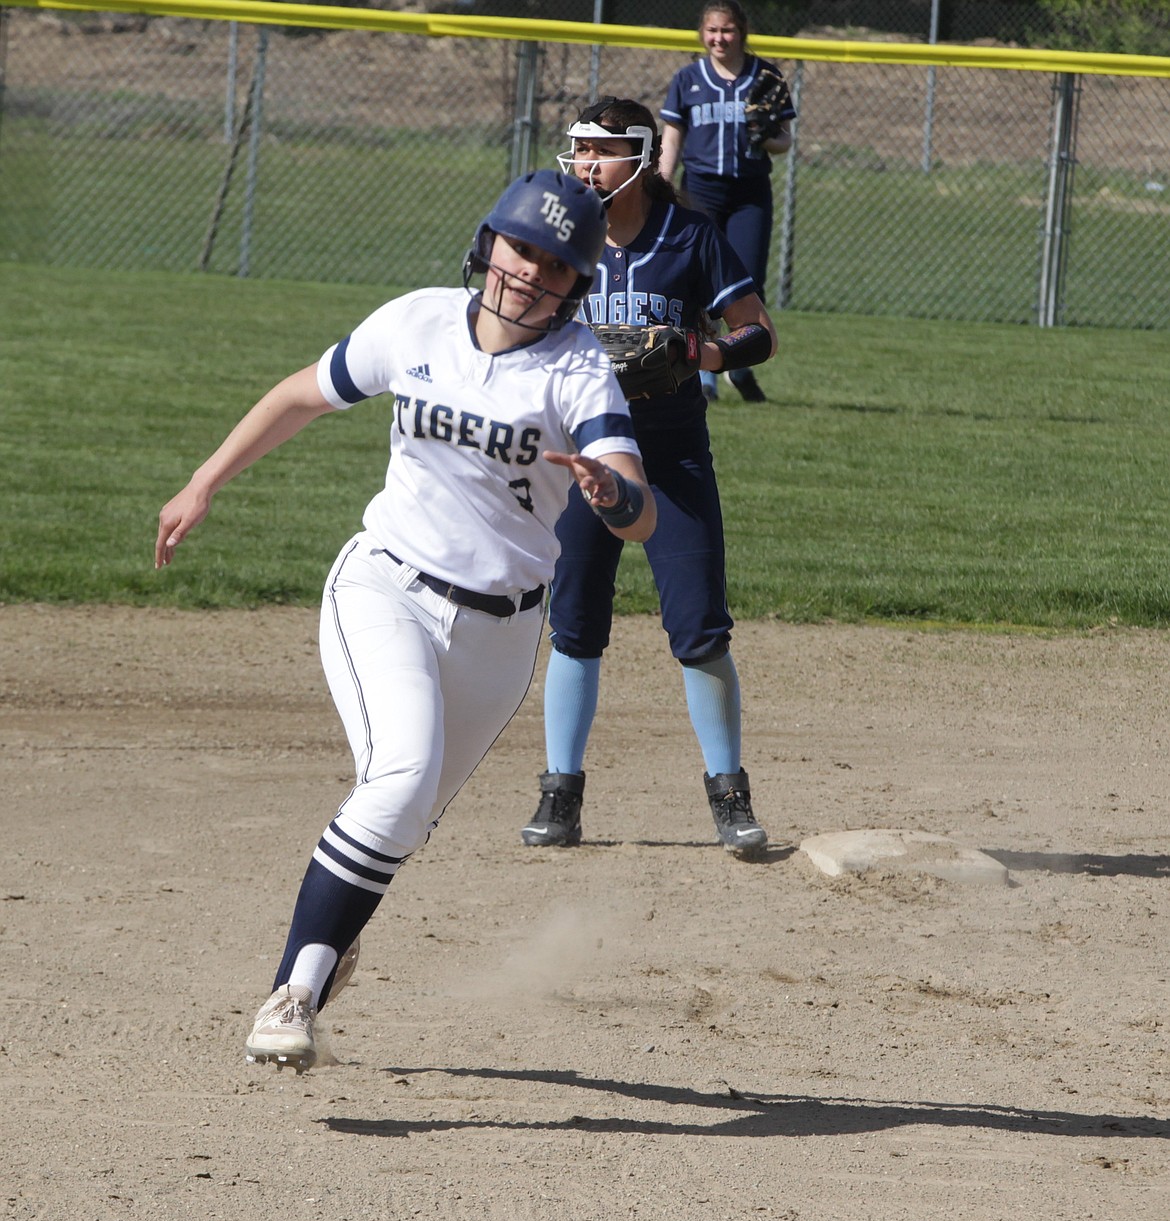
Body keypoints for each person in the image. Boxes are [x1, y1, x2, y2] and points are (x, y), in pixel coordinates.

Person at [154, 169, 656, 1073]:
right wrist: (204, 481)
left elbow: (638, 508)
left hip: (502, 636)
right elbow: (304, 394)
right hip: (384, 587)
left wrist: (611, 489)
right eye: (520, 248)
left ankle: (331, 937)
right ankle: (293, 993)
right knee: (399, 776)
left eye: (555, 264)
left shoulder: (577, 365)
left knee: (405, 814)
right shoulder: (418, 321)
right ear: (488, 244)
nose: (531, 272)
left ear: (579, 283)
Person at [518, 97, 776, 859]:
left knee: (699, 631)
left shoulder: (690, 235)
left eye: (600, 150)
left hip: (671, 454)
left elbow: (757, 331)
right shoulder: (565, 240)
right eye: (579, 150)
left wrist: (703, 355)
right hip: (582, 457)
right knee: (574, 626)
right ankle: (559, 795)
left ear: (636, 158)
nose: (586, 164)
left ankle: (730, 796)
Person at [659, 0, 796, 404]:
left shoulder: (765, 76)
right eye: (712, 30)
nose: (720, 38)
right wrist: (662, 186)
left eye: (728, 30)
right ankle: (706, 376)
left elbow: (784, 140)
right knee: (698, 284)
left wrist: (765, 134)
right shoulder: (688, 79)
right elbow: (672, 137)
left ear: (742, 32)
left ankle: (740, 361)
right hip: (700, 189)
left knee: (746, 283)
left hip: (750, 192)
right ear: (703, 34)